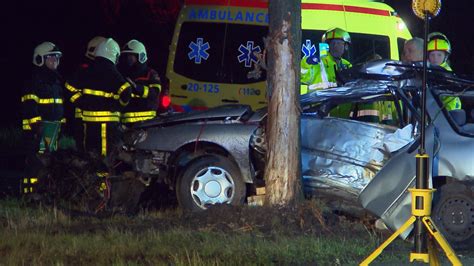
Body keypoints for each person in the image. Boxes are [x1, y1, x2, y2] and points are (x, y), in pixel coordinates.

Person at [65, 38, 132, 157]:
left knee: (89, 155)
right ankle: (102, 176)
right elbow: (126, 90)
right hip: (108, 126)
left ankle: (89, 175)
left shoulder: (86, 70)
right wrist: (117, 106)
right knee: (105, 158)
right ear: (113, 54)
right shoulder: (112, 71)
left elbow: (69, 87)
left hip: (87, 124)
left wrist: (81, 102)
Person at [21, 41, 65, 194]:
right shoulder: (34, 80)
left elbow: (59, 108)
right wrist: (36, 126)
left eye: (57, 58)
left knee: (49, 164)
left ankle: (45, 193)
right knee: (35, 165)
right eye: (51, 57)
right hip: (36, 132)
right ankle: (29, 196)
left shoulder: (56, 81)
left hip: (52, 131)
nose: (55, 61)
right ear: (40, 59)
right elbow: (29, 106)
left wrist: (61, 126)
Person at [65, 36, 107, 151]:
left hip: (99, 120)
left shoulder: (102, 71)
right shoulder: (84, 70)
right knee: (86, 150)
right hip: (83, 120)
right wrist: (83, 103)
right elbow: (69, 89)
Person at [118, 39, 161, 126]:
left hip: (146, 123)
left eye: (131, 57)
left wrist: (137, 88)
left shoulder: (150, 74)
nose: (128, 60)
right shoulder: (122, 73)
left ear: (141, 57)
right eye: (126, 57)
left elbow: (154, 93)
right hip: (125, 124)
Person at [301, 27, 352, 94]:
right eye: (332, 43)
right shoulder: (317, 63)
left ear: (346, 46)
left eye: (339, 43)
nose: (335, 46)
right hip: (319, 103)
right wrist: (306, 63)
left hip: (342, 103)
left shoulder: (347, 65)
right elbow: (301, 77)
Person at [426, 32, 461, 111]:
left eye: (439, 55)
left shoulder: (445, 73)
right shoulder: (430, 70)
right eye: (432, 55)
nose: (435, 58)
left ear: (445, 56)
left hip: (449, 111)